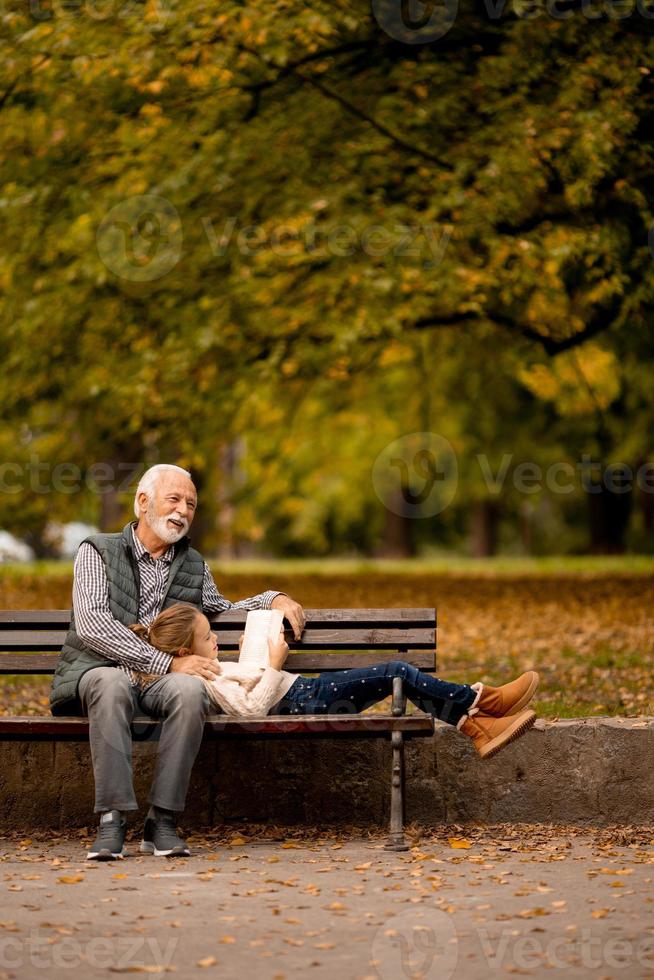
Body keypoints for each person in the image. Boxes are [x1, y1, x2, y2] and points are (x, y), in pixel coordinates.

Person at [49, 463, 305, 862]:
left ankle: (162, 821)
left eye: (191, 504)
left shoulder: (193, 564)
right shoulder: (95, 550)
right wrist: (165, 662)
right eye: (174, 499)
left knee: (190, 690)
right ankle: (111, 820)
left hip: (161, 680)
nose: (183, 510)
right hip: (99, 669)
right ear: (142, 502)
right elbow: (93, 624)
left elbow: (222, 608)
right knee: (113, 685)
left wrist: (273, 598)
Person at [135, 602, 539, 766]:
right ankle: (482, 704)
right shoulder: (204, 679)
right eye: (208, 639)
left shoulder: (207, 670)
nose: (215, 641)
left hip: (301, 692)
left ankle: (478, 720)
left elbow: (247, 688)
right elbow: (252, 707)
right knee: (395, 671)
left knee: (395, 673)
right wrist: (273, 662)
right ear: (185, 651)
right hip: (299, 701)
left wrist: (248, 658)